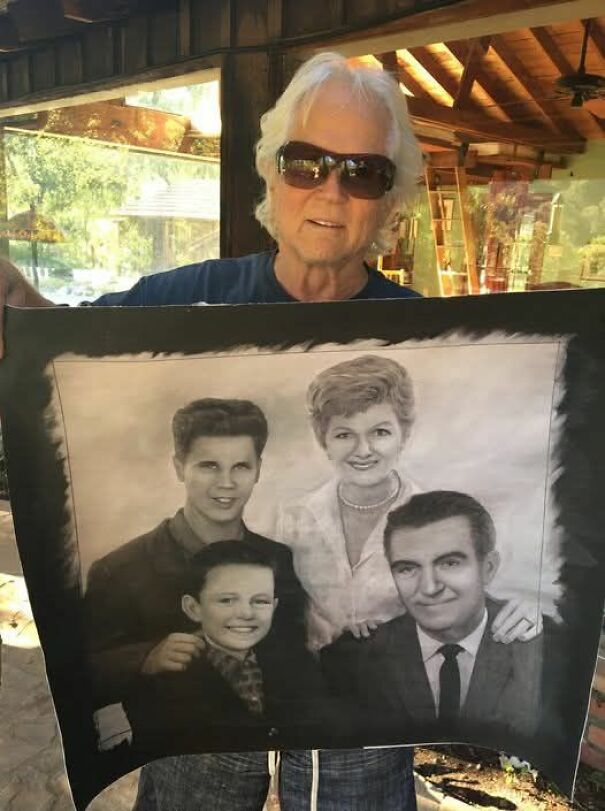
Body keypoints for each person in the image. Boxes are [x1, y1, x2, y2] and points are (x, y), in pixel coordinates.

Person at [3, 49, 430, 811]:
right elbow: (61, 359)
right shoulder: (183, 300)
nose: (330, 190)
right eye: (306, 162)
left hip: (354, 699)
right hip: (203, 687)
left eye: (362, 171)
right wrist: (15, 305)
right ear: (270, 170)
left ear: (390, 196)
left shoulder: (430, 334)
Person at [278, 354, 540, 656]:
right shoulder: (293, 519)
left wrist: (525, 613)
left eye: (380, 432)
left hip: (404, 676)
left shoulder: (438, 521)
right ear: (323, 440)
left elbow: (474, 599)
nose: (363, 450)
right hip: (310, 677)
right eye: (344, 434)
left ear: (404, 435)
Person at [85, 398, 306, 716]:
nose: (226, 483)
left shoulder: (278, 559)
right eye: (209, 466)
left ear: (258, 469)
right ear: (179, 467)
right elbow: (81, 680)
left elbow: (297, 662)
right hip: (173, 743)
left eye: (241, 466)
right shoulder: (121, 570)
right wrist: (145, 658)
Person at [336, 491, 543, 741]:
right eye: (407, 568)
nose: (429, 588)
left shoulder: (537, 642)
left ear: (488, 568)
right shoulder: (352, 658)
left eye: (450, 563)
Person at [129, 541, 332, 759]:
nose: (246, 613)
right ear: (193, 608)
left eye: (260, 601)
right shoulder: (168, 681)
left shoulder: (295, 665)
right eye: (227, 600)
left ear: (274, 607)